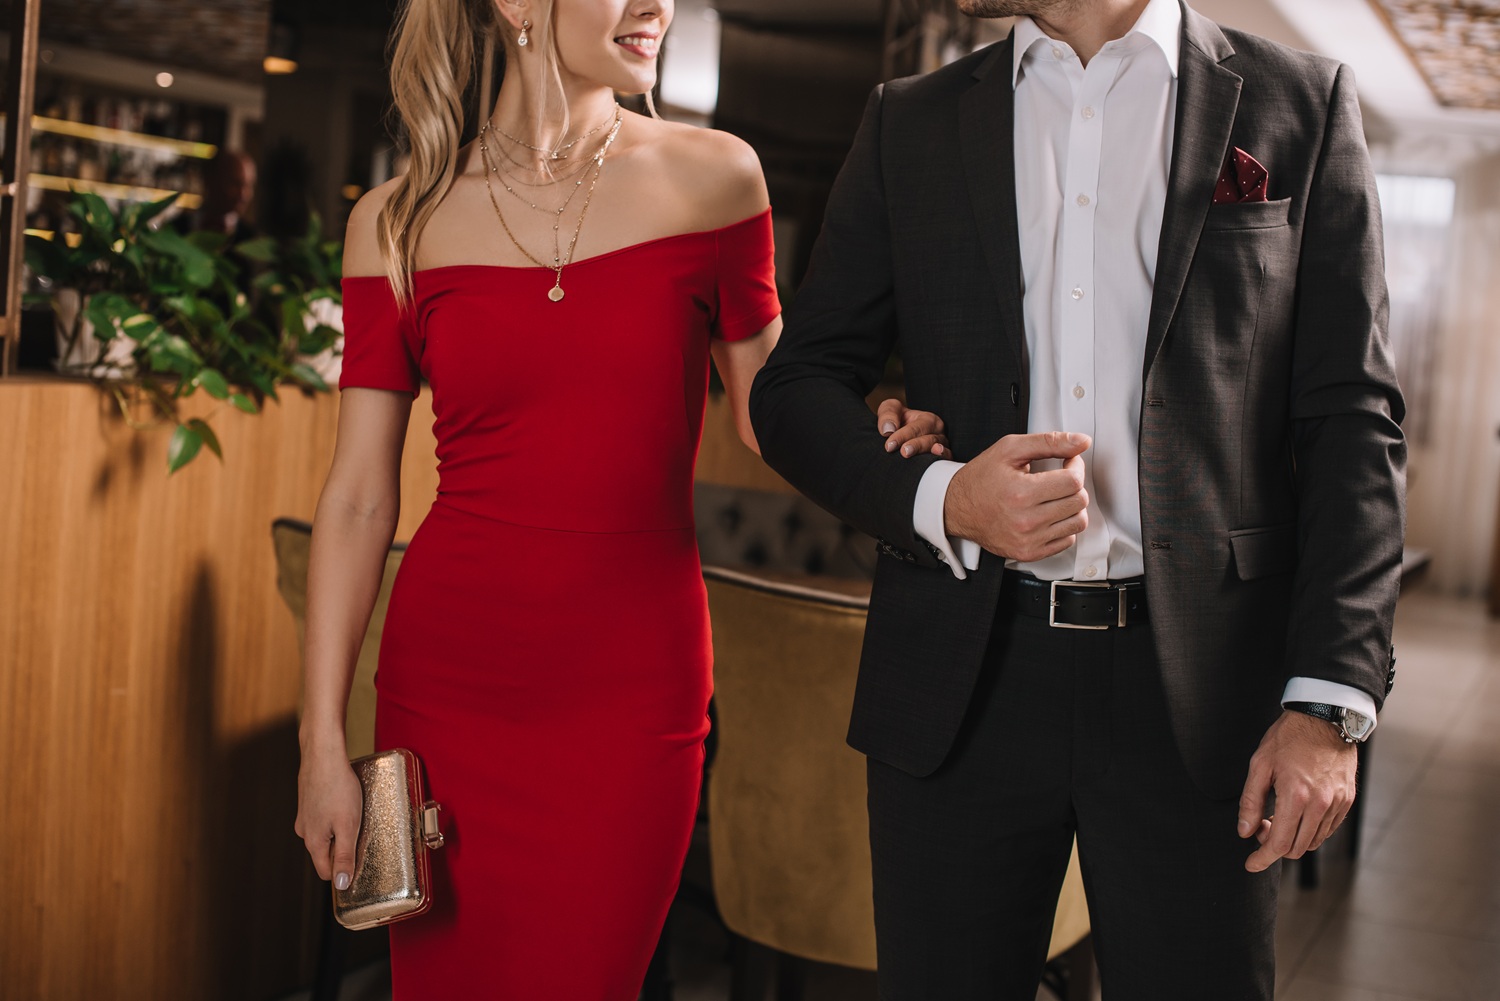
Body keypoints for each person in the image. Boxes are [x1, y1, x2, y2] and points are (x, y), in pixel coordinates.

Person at [750, 0, 1406, 998]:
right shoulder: (912, 119)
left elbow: (1353, 419)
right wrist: (940, 496)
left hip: (1203, 700)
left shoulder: (1299, 107)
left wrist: (1330, 701)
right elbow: (797, 387)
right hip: (960, 684)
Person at [292, 0, 943, 996]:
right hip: (446, 690)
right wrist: (321, 744)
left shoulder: (718, 179)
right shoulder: (395, 220)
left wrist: (883, 435)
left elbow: (772, 412)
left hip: (631, 690)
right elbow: (355, 501)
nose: (658, 6)